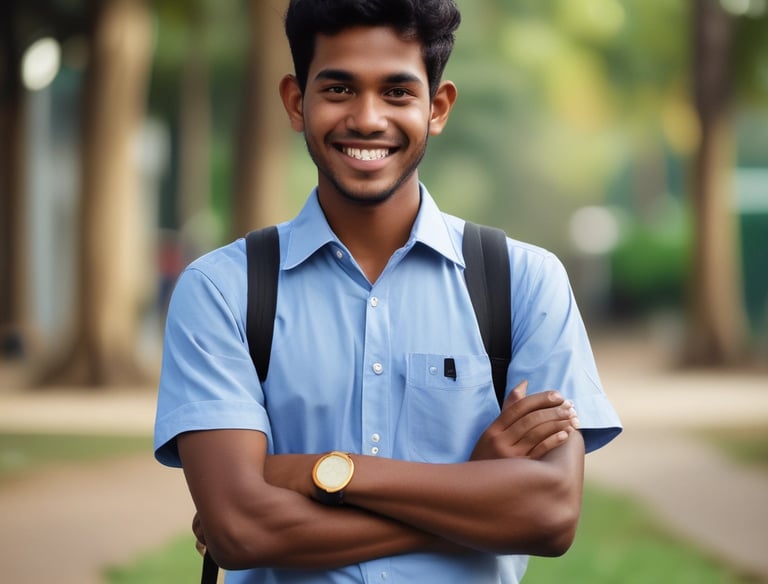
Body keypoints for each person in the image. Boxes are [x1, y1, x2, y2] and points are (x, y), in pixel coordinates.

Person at [154, 1, 622, 582]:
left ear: (438, 107)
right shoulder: (221, 291)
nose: (368, 119)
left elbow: (550, 513)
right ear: (297, 103)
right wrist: (474, 488)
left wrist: (327, 472)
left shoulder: (525, 282)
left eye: (398, 92)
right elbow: (240, 528)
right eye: (339, 90)